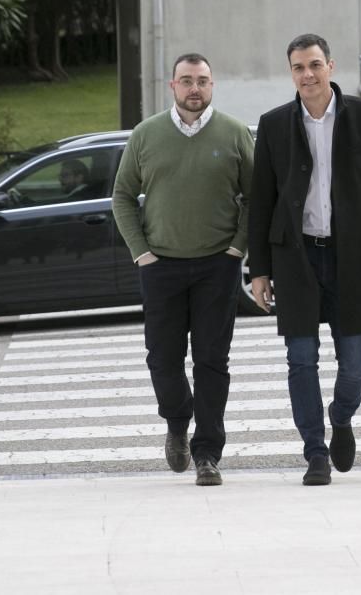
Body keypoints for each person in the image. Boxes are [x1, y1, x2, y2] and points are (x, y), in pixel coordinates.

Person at [248, 34, 361, 486]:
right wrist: (259, 269)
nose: (308, 75)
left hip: (352, 259)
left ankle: (340, 416)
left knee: (356, 360)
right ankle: (315, 452)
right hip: (297, 258)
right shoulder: (274, 124)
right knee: (301, 358)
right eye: (299, 67)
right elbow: (260, 202)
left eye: (315, 65)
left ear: (331, 67)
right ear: (291, 73)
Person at [112, 53, 254, 486]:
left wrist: (236, 250)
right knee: (163, 359)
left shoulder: (233, 134)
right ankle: (177, 421)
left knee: (212, 360)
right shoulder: (146, 134)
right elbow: (122, 196)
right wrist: (142, 253)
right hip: (161, 266)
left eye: (203, 81)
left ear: (213, 86)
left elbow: (256, 197)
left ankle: (207, 453)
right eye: (187, 81)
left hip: (218, 265)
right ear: (172, 86)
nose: (195, 88)